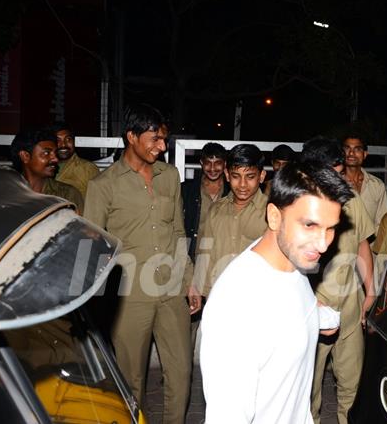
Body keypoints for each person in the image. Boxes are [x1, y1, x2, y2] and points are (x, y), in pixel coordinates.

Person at [200, 160, 354, 423]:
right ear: (274, 216)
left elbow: (291, 313)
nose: (323, 244)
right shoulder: (237, 302)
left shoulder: (294, 264)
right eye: (309, 225)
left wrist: (325, 319)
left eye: (331, 229)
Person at [83, 105, 197, 424]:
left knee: (181, 374)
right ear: (131, 137)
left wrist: (189, 279)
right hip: (129, 296)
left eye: (165, 139)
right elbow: (94, 245)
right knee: (132, 380)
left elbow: (177, 231)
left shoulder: (169, 176)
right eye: (155, 139)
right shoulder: (103, 185)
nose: (162, 146)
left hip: (171, 289)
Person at [301, 136, 376, 424]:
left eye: (340, 169)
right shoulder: (297, 204)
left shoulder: (351, 198)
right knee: (308, 389)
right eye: (334, 171)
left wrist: (370, 292)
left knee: (351, 386)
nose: (340, 176)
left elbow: (362, 245)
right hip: (312, 306)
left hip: (350, 305)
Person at [192, 143, 268, 298]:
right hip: (219, 296)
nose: (242, 184)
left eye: (250, 177)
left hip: (258, 298)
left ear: (261, 176)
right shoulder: (216, 210)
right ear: (227, 175)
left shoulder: (272, 213)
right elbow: (205, 253)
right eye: (236, 176)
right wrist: (201, 291)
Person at [11, 128, 84, 212]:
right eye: (46, 153)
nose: (55, 159)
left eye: (55, 153)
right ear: (25, 156)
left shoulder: (67, 194)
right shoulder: (8, 193)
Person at [181, 142, 229, 255]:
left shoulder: (232, 192)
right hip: (194, 257)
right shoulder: (187, 190)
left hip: (224, 257)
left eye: (217, 163)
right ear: (201, 163)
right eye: (208, 163)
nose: (212, 168)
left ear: (225, 164)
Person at [341, 133, 387, 230]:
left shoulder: (377, 185)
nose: (351, 153)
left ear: (365, 154)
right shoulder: (332, 184)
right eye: (347, 148)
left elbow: (382, 222)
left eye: (357, 149)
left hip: (371, 244)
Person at [51, 122, 100, 198]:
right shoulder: (44, 169)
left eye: (68, 139)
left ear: (74, 141)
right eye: (58, 141)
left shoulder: (87, 169)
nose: (63, 144)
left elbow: (97, 202)